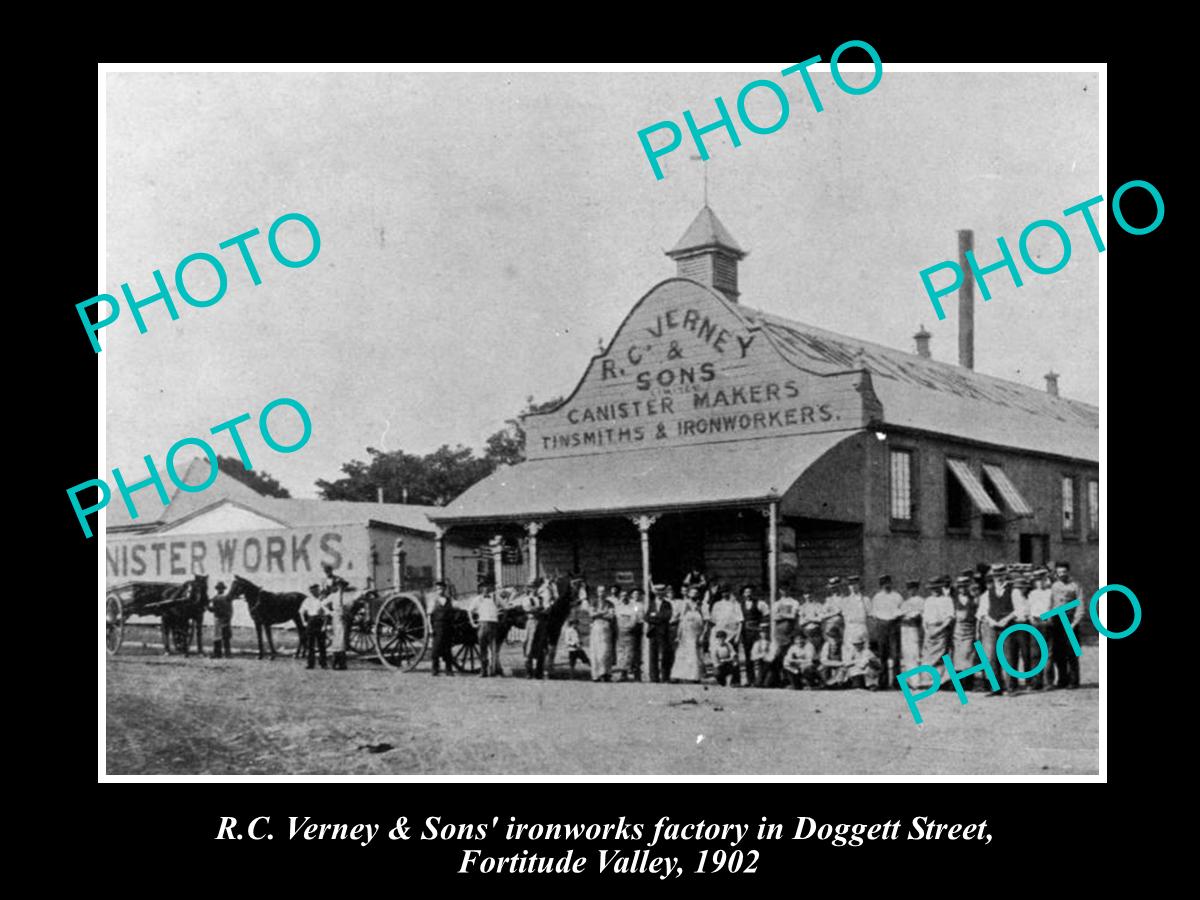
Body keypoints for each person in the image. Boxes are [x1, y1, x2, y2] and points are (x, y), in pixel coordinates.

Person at [980, 564, 1017, 694]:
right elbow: (983, 611)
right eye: (996, 575)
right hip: (992, 626)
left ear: (1005, 575)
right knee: (992, 656)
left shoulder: (1013, 590)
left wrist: (1006, 620)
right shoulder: (988, 592)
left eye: (1001, 575)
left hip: (1007, 626)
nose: (998, 578)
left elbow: (1019, 609)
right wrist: (991, 621)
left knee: (1008, 656)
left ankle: (1010, 686)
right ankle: (995, 687)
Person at [1050, 562, 1083, 689]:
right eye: (1060, 572)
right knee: (1059, 652)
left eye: (1064, 572)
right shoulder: (1054, 586)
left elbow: (1080, 604)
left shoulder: (1076, 585)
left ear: (1068, 572)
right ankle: (1062, 679)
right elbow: (1051, 603)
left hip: (1070, 620)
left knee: (1072, 652)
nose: (1062, 574)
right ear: (1057, 573)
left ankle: (1074, 681)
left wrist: (1075, 622)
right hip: (1057, 621)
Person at [919, 576, 955, 689]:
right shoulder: (928, 600)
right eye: (932, 588)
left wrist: (939, 630)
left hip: (941, 630)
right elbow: (924, 618)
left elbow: (949, 618)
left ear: (941, 588)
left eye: (936, 588)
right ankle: (927, 681)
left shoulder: (947, 600)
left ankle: (940, 681)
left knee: (939, 657)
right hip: (929, 630)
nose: (934, 590)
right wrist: (927, 630)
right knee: (927, 656)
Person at [869, 575, 904, 689]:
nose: (886, 586)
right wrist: (880, 621)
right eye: (884, 584)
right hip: (882, 625)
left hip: (894, 625)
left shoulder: (897, 596)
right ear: (881, 585)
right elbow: (874, 613)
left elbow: (902, 611)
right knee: (883, 654)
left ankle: (897, 682)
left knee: (895, 654)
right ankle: (883, 682)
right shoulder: (877, 597)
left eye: (888, 583)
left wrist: (896, 618)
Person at [951, 574, 981, 691]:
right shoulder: (954, 600)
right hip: (957, 631)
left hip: (969, 630)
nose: (962, 589)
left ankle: (968, 683)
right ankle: (957, 684)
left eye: (964, 587)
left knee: (969, 656)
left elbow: (977, 615)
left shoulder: (973, 599)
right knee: (957, 657)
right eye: (960, 587)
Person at [1026, 568, 1055, 689]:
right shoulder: (1032, 594)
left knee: (1048, 653)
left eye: (1042, 579)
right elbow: (1029, 608)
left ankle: (1048, 681)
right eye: (1037, 580)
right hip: (1035, 622)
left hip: (1047, 622)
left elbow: (1054, 606)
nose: (1040, 583)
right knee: (1035, 653)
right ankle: (1037, 682)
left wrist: (1050, 618)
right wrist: (1031, 618)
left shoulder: (1050, 592)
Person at [670, 590, 706, 683]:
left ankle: (694, 677)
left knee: (694, 654)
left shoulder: (702, 605)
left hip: (696, 634)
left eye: (696, 593)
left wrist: (702, 635)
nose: (694, 594)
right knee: (682, 655)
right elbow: (681, 622)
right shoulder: (684, 605)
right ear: (689, 594)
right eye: (692, 592)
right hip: (685, 634)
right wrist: (678, 635)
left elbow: (706, 622)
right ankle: (678, 675)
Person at [770, 588, 801, 686]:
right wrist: (787, 614)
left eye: (787, 589)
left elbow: (793, 616)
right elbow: (774, 617)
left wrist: (781, 614)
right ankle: (778, 679)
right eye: (782, 589)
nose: (785, 591)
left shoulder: (794, 602)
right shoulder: (777, 603)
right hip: (779, 632)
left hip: (790, 631)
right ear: (780, 591)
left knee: (789, 655)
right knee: (778, 654)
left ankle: (790, 680)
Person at [644, 584, 674, 683]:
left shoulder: (667, 604)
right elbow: (646, 617)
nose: (659, 595)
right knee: (653, 655)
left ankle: (665, 677)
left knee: (665, 654)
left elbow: (667, 616)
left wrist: (655, 617)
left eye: (661, 593)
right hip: (653, 632)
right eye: (657, 593)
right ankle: (654, 677)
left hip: (663, 632)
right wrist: (656, 617)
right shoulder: (652, 604)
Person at [469, 587, 501, 677]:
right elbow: (470, 610)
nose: (486, 589)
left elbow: (505, 607)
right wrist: (472, 623)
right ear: (481, 590)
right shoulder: (478, 599)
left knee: (493, 649)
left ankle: (493, 671)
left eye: (487, 587)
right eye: (484, 588)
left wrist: (501, 621)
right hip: (482, 624)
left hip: (493, 624)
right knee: (483, 649)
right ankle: (483, 671)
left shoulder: (495, 598)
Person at [738, 585, 770, 675]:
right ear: (743, 594)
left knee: (760, 652)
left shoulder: (760, 603)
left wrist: (762, 627)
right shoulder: (740, 605)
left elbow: (767, 615)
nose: (748, 594)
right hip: (746, 633)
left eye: (750, 592)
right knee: (748, 655)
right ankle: (750, 679)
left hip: (757, 632)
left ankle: (761, 677)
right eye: (746, 592)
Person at [898, 578, 924, 689]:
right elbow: (900, 614)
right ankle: (909, 680)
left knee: (914, 654)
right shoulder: (905, 602)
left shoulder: (920, 601)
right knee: (907, 655)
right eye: (909, 589)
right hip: (905, 629)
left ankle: (916, 681)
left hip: (914, 629)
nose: (911, 591)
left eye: (913, 588)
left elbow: (919, 616)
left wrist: (910, 617)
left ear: (917, 589)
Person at [588, 587, 616, 681]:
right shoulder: (594, 602)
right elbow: (592, 614)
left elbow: (611, 616)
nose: (602, 593)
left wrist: (598, 613)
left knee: (605, 651)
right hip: (596, 627)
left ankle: (606, 673)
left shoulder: (610, 603)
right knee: (595, 651)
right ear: (597, 592)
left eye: (603, 591)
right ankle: (596, 674)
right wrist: (603, 613)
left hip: (606, 627)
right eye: (600, 591)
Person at [429, 581, 456, 677]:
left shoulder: (449, 600)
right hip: (437, 625)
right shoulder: (433, 601)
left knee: (447, 648)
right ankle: (435, 669)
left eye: (441, 588)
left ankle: (449, 670)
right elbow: (429, 616)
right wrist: (430, 629)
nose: (440, 590)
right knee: (436, 648)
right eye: (438, 589)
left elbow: (453, 611)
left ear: (445, 589)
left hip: (447, 626)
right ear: (436, 590)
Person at [300, 583, 328, 670]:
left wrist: (324, 625)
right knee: (310, 644)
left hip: (319, 621)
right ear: (310, 591)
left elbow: (326, 614)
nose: (314, 592)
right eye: (312, 590)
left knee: (321, 644)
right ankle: (310, 663)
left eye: (316, 590)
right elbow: (301, 611)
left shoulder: (322, 600)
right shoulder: (307, 600)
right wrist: (304, 622)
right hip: (311, 622)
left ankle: (323, 663)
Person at [325, 577, 351, 672]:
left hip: (344, 617)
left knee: (342, 638)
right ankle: (335, 662)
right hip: (336, 616)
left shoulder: (347, 596)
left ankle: (342, 663)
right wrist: (329, 612)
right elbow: (323, 604)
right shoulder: (333, 596)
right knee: (337, 638)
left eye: (343, 585)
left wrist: (347, 612)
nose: (341, 587)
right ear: (337, 586)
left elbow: (350, 605)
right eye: (339, 585)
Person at [838, 575, 870, 649]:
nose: (853, 586)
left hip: (861, 627)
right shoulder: (845, 601)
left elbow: (869, 614)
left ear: (859, 585)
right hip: (850, 628)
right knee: (849, 651)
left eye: (855, 584)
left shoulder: (865, 600)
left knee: (864, 652)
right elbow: (842, 615)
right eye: (851, 584)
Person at [208, 580, 233, 659]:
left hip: (221, 618)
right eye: (219, 588)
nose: (220, 590)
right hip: (220, 618)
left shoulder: (219, 598)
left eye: (221, 588)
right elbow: (230, 610)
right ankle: (222, 653)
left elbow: (229, 609)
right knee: (220, 636)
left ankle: (223, 653)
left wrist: (208, 607)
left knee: (221, 636)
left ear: (223, 589)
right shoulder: (223, 597)